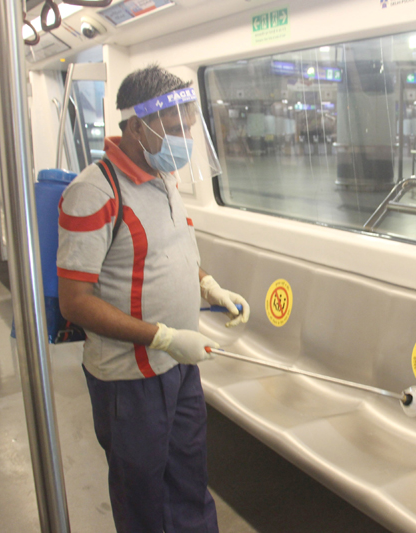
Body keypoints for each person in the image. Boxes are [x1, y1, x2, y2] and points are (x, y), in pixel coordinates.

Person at [57, 65, 250, 533]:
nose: (185, 136)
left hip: (180, 366)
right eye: (176, 126)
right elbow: (76, 302)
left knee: (188, 479)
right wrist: (161, 337)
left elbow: (173, 250)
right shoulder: (93, 192)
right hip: (131, 380)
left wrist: (208, 286)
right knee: (143, 494)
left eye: (189, 124)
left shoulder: (163, 177)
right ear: (138, 126)